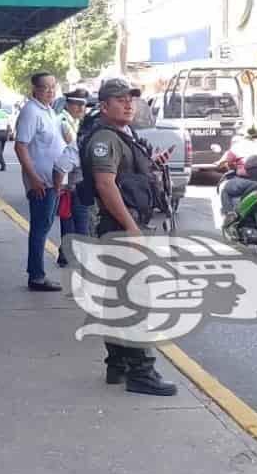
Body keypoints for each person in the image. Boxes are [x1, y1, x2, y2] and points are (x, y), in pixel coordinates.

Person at [81, 78, 177, 397]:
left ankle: (118, 364)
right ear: (104, 106)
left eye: (130, 99)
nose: (128, 104)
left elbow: (128, 175)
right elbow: (106, 184)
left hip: (125, 225)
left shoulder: (124, 135)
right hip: (119, 227)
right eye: (120, 99)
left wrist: (154, 164)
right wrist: (131, 228)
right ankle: (141, 371)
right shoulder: (105, 138)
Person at [14, 72, 67, 291]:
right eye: (46, 87)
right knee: (39, 229)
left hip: (53, 181)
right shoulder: (30, 112)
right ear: (34, 89)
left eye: (53, 87)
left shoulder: (49, 112)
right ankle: (36, 276)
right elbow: (21, 146)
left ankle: (36, 273)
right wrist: (34, 178)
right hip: (41, 183)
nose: (50, 91)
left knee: (44, 227)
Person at [55, 89, 91, 266]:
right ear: (69, 104)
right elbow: (70, 150)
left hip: (71, 176)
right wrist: (61, 185)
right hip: (70, 178)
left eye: (83, 105)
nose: (82, 109)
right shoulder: (64, 122)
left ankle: (66, 252)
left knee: (69, 217)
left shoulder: (74, 121)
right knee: (76, 217)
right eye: (79, 105)